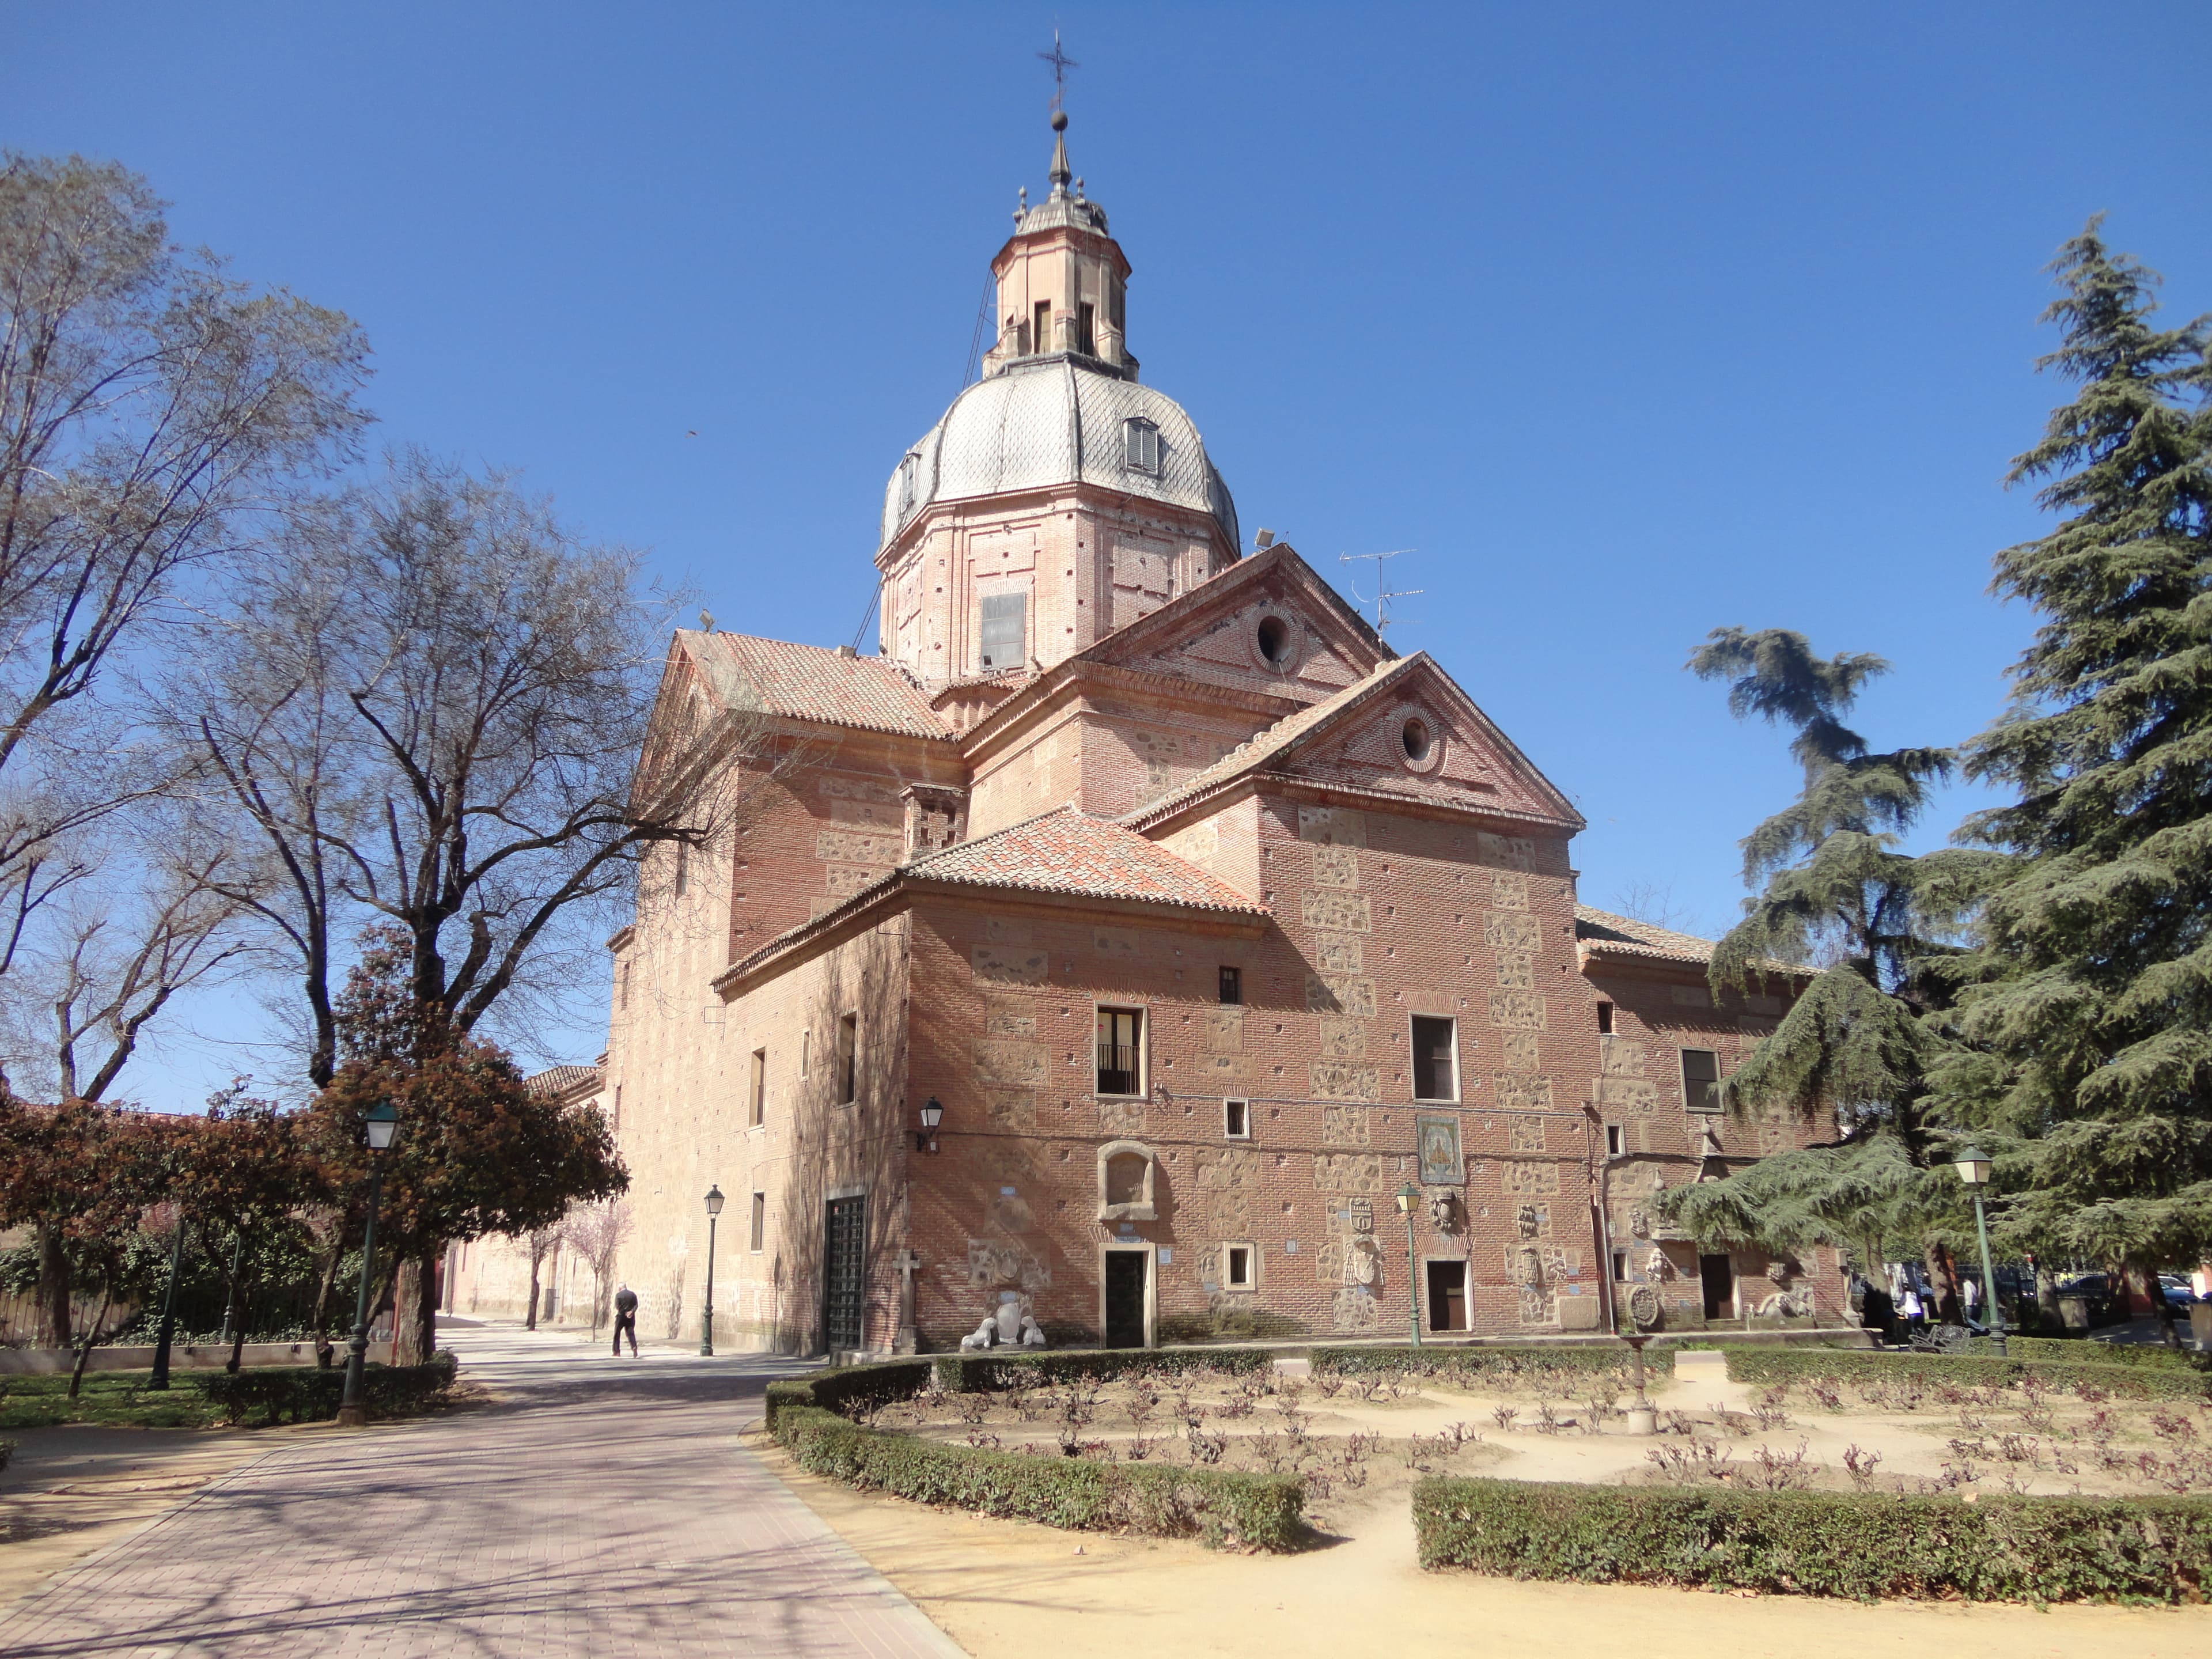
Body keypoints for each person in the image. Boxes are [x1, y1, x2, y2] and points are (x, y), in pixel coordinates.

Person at [612, 1283, 639, 1357]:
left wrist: (624, 1312)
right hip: (630, 1317)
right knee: (630, 1333)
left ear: (620, 1288)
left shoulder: (618, 1295)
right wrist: (632, 1312)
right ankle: (634, 1347)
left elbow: (617, 1306)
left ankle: (616, 1352)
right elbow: (636, 1305)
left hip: (621, 1316)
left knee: (617, 1333)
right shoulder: (632, 1294)